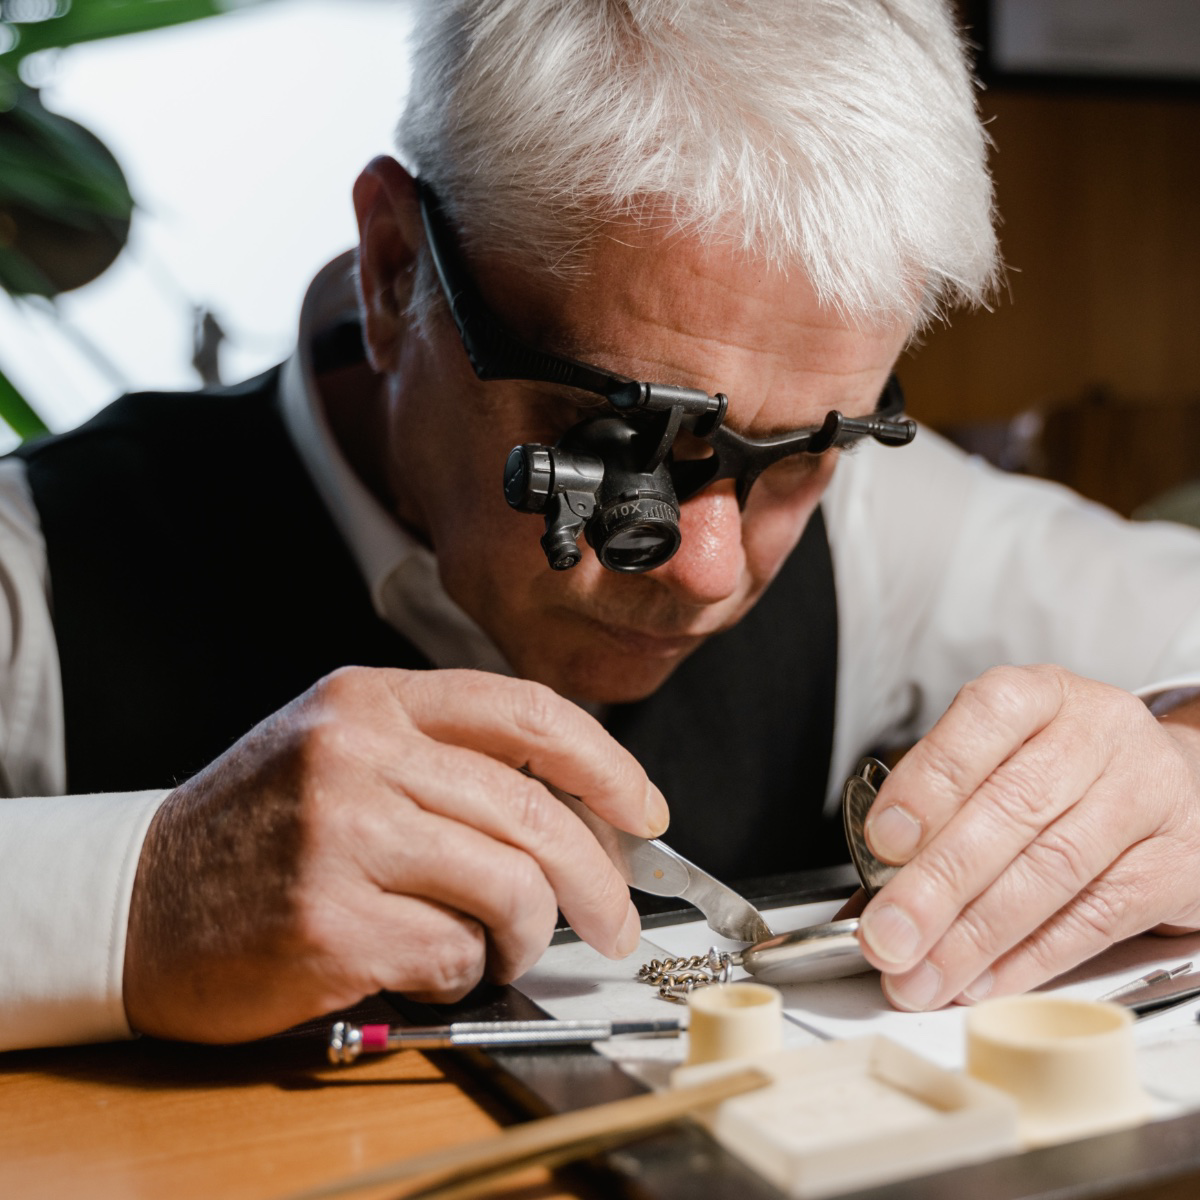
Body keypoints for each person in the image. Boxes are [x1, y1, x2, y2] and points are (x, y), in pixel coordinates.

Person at [2, 0, 1198, 1052]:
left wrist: (1181, 779)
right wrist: (145, 896)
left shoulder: (891, 522)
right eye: (616, 439)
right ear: (391, 270)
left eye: (802, 460)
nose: (711, 572)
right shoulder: (36, 574)